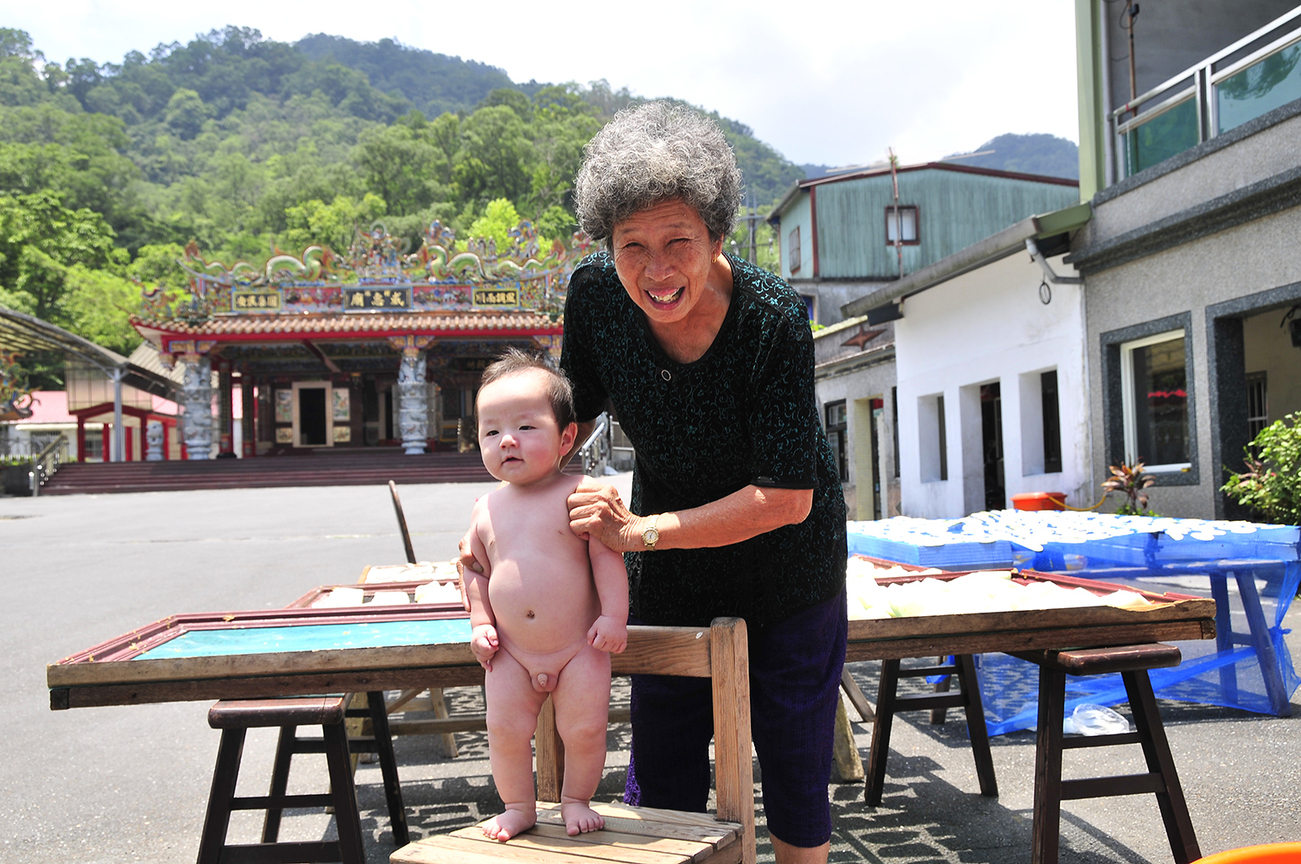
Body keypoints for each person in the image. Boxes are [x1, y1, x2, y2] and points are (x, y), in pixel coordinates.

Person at [562, 101, 848, 864]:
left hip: (791, 570)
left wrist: (639, 532)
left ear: (717, 235)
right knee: (664, 765)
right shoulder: (593, 297)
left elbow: (787, 497)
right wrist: (510, 507)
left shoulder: (772, 319)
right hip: (673, 574)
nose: (656, 271)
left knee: (792, 765)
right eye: (633, 247)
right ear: (607, 244)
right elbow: (565, 423)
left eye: (677, 241)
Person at [461, 348, 629, 841]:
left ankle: (576, 799)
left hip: (579, 646)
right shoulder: (485, 508)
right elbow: (472, 569)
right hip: (510, 652)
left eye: (526, 427)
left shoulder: (581, 493)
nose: (506, 440)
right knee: (506, 732)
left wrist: (614, 616)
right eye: (491, 431)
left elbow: (607, 558)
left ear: (567, 437)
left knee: (584, 729)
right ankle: (517, 805)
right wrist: (479, 622)